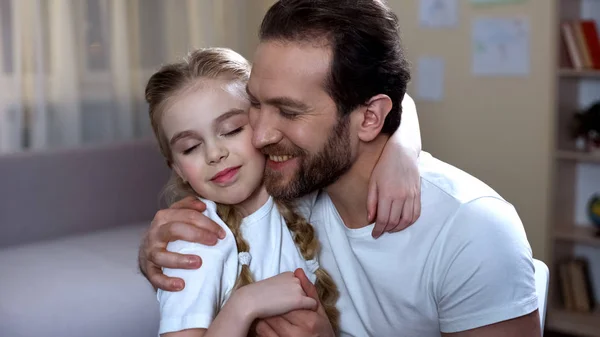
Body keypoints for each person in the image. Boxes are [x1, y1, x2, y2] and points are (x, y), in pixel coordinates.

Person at [140, 1, 541, 336]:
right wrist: (156, 252)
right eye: (256, 105)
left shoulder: (470, 229)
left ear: (370, 118)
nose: (259, 136)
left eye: (289, 111)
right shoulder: (289, 187)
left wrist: (403, 143)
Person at [145, 45, 422, 337]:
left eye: (231, 130)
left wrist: (401, 150)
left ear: (264, 121)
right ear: (176, 167)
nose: (214, 153)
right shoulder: (196, 244)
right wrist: (244, 304)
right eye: (190, 147)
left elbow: (386, 102)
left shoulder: (304, 187)